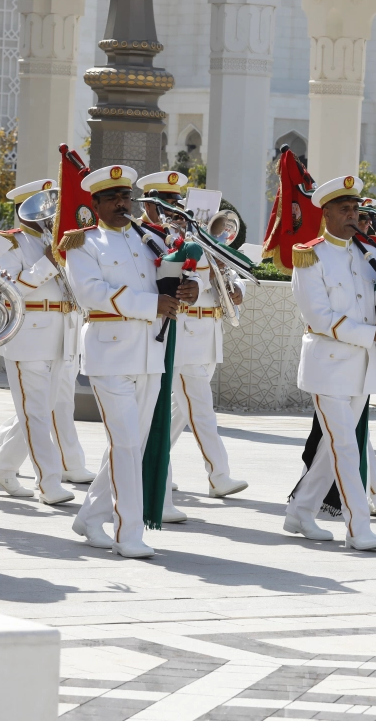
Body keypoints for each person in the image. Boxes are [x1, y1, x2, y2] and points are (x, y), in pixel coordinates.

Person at [62, 165, 197, 558]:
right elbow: (90, 293)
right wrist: (149, 304)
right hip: (110, 352)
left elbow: (171, 279)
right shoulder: (82, 243)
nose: (122, 204)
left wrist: (190, 287)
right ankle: (129, 532)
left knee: (131, 444)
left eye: (125, 197)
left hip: (150, 352)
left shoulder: (151, 239)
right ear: (96, 204)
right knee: (124, 443)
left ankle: (90, 516)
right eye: (112, 198)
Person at [284, 175, 376, 551]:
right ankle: (358, 526)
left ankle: (300, 511)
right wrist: (373, 334)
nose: (353, 215)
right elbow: (320, 317)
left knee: (331, 447)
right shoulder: (310, 256)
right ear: (325, 213)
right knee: (346, 446)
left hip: (361, 367)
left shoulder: (368, 254)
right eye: (344, 209)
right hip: (328, 364)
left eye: (356, 209)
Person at [134, 171, 249, 508]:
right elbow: (168, 284)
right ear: (149, 204)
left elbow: (230, 272)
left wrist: (237, 290)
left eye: (174, 202)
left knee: (180, 413)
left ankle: (151, 466)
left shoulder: (193, 232)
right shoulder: (147, 237)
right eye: (164, 203)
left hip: (207, 333)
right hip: (180, 333)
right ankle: (219, 474)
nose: (171, 209)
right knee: (200, 407)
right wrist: (196, 292)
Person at [0, 179, 89, 504]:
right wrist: (47, 261)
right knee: (37, 414)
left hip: (60, 337)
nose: (49, 212)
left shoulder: (55, 241)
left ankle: (2, 468)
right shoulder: (10, 244)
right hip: (27, 337)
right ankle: (48, 483)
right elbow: (8, 288)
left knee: (39, 412)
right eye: (42, 204)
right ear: (23, 208)